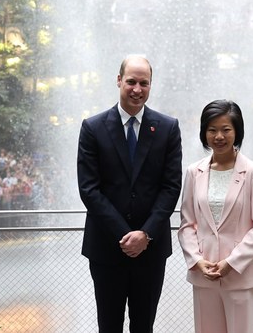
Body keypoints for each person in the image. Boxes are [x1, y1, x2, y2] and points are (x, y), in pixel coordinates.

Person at [78, 55, 183, 333]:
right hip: (106, 248)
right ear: (118, 81)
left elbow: (171, 187)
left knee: (143, 326)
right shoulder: (93, 127)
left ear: (151, 85)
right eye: (131, 82)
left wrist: (145, 234)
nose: (137, 89)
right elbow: (89, 189)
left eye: (144, 83)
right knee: (108, 326)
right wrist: (126, 235)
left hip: (150, 250)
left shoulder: (168, 128)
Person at [178, 100, 253, 333]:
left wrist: (231, 263)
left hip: (242, 275)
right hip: (205, 274)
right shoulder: (194, 172)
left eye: (226, 129)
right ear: (204, 133)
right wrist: (196, 260)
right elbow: (187, 224)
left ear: (237, 132)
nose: (218, 136)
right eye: (212, 130)